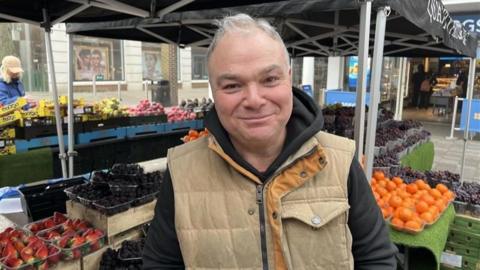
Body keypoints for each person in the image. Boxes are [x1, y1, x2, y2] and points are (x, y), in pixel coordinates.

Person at [143, 14, 397, 270]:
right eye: (232, 85)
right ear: (213, 90)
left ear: (289, 78)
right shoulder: (182, 172)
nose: (254, 99)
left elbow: (376, 259)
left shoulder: (339, 160)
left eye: (269, 79)